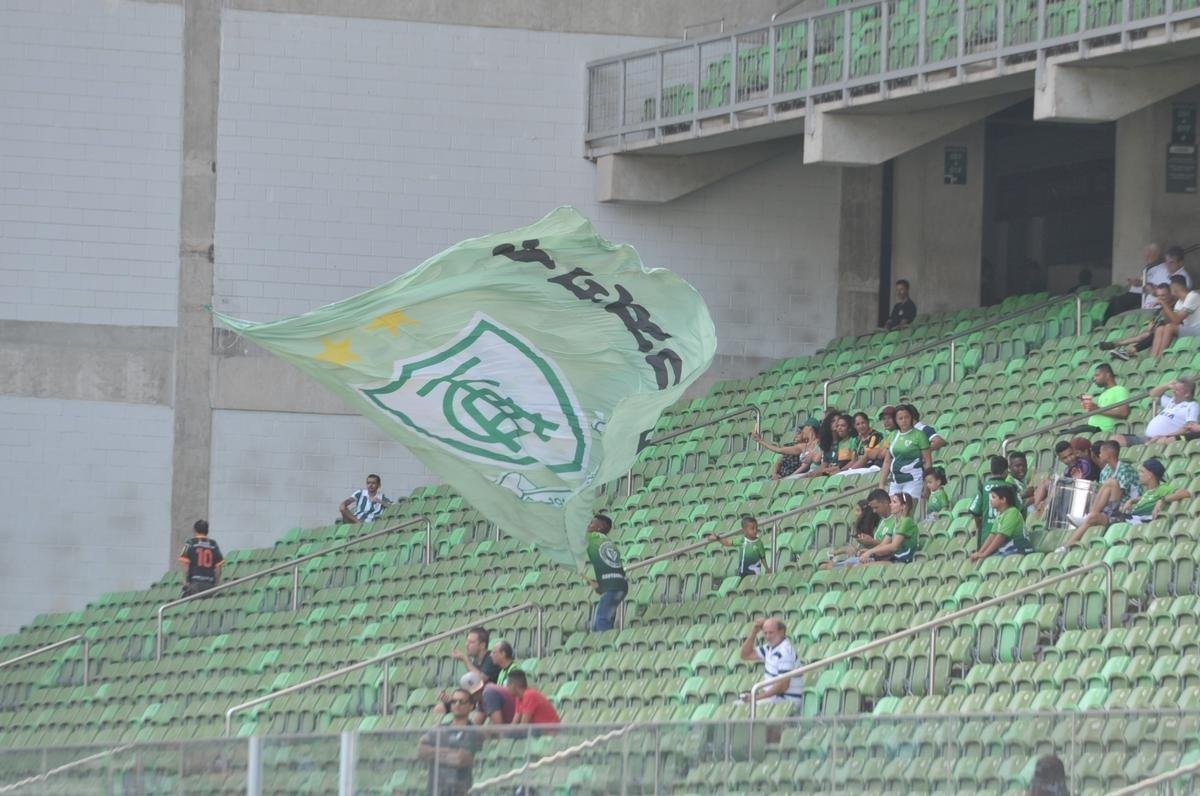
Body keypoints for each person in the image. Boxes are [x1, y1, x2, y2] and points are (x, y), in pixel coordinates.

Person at [1058, 441, 1140, 550]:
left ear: (1109, 454)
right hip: (1110, 510)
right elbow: (1102, 494)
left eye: (1101, 452)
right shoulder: (1105, 471)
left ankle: (1087, 517)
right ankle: (1065, 547)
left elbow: (1119, 495)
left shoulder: (1126, 469)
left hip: (1124, 511)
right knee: (1091, 518)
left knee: (1112, 482)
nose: (1098, 455)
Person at [418, 687, 482, 796]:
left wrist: (433, 753)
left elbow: (460, 759)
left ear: (471, 706)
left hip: (459, 790)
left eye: (461, 702)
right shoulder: (440, 728)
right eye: (454, 701)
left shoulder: (475, 732)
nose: (457, 705)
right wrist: (449, 753)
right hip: (435, 790)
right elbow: (421, 751)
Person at [1112, 378, 1200, 446]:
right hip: (1146, 438)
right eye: (1174, 389)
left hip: (1160, 440)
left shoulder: (1192, 405)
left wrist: (1166, 436)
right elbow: (1153, 394)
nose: (1173, 391)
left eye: (1177, 390)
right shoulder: (1171, 401)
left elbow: (1188, 427)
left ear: (1187, 394)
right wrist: (1166, 386)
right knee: (1115, 439)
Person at [738, 617, 804, 706]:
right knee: (738, 706)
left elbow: (783, 685)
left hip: (787, 700)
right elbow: (745, 655)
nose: (768, 637)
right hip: (774, 698)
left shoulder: (785, 651)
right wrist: (754, 632)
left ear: (781, 632)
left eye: (771, 633)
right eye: (765, 633)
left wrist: (756, 697)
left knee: (742, 709)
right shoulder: (769, 647)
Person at [820, 489, 890, 569]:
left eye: (858, 510)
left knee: (831, 566)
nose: (874, 511)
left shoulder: (887, 522)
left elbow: (890, 547)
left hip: (878, 558)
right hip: (870, 556)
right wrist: (865, 550)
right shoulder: (882, 521)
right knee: (824, 566)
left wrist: (870, 543)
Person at [1101, 282, 1172, 360]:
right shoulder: (1162, 306)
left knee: (1151, 333)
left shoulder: (1173, 305)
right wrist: (1152, 323)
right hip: (1160, 329)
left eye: (1163, 295)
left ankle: (1124, 348)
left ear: (1170, 294)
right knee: (1147, 333)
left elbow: (1170, 321)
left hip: (1171, 330)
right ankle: (1119, 345)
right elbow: (1157, 318)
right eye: (1159, 296)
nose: (1161, 298)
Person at [879, 404, 933, 501]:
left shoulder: (920, 435)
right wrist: (882, 483)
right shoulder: (892, 435)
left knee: (907, 508)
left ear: (911, 417)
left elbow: (927, 462)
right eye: (900, 418)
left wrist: (926, 485)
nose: (904, 420)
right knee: (894, 509)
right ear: (896, 420)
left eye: (906, 417)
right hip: (895, 480)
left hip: (914, 479)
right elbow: (887, 461)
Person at [970, 455, 1024, 549]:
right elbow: (1020, 509)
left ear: (991, 471)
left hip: (985, 537)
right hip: (1006, 539)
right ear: (1006, 471)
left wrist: (979, 526)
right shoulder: (1010, 488)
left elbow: (974, 511)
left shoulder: (983, 487)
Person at [585, 514, 627, 632]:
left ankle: (606, 648)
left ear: (600, 527)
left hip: (611, 587)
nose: (589, 525)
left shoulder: (592, 537)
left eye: (592, 523)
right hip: (619, 586)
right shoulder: (609, 543)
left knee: (601, 622)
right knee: (601, 623)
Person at [1103, 243, 1164, 321]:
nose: (1146, 257)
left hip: (1144, 295)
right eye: (1146, 254)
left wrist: (1144, 284)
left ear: (1156, 254)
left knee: (1120, 301)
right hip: (1137, 291)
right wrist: (1136, 282)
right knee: (1114, 300)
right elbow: (1142, 281)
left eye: (1149, 254)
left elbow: (1158, 286)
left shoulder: (1162, 268)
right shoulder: (1147, 268)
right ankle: (1106, 324)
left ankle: (1119, 321)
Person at [969, 485, 1032, 561]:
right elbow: (992, 536)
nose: (991, 500)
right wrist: (979, 553)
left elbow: (1001, 537)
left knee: (991, 559)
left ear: (1003, 500)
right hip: (1010, 546)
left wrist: (984, 554)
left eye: (993, 497)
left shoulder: (1012, 512)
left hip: (1020, 546)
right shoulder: (1000, 514)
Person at [1032, 439, 1096, 514]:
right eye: (1065, 458)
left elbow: (1082, 487)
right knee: (1045, 482)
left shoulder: (1084, 464)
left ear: (1074, 452)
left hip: (1084, 498)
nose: (1069, 459)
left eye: (1071, 454)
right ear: (1060, 460)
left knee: (1056, 488)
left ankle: (1042, 508)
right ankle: (1037, 507)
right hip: (1068, 496)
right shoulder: (1066, 471)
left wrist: (1077, 480)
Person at [1063, 365, 1130, 435]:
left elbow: (1124, 413)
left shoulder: (1120, 390)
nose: (1094, 379)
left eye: (1097, 375)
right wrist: (1090, 406)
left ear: (1107, 375)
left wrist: (1097, 409)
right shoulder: (1103, 394)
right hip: (1091, 428)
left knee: (1066, 435)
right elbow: (1100, 410)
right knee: (1063, 433)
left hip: (1101, 430)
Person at [1149, 271, 1200, 357]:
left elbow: (1176, 321)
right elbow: (1169, 321)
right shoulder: (1179, 302)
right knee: (1161, 328)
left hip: (1197, 329)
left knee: (1169, 328)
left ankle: (1159, 357)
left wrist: (1163, 304)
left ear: (1174, 288)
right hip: (1189, 329)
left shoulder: (1193, 296)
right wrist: (1164, 305)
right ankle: (1153, 358)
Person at [858, 493, 919, 565]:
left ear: (903, 506)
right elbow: (883, 544)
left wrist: (871, 552)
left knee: (865, 566)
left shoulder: (906, 521)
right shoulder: (895, 522)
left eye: (894, 502)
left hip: (904, 559)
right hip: (894, 557)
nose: (890, 504)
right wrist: (869, 551)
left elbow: (894, 546)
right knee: (859, 564)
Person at [752, 421, 820, 479]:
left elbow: (806, 466)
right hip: (796, 475)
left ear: (810, 427)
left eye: (804, 428)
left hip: (812, 473)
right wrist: (760, 441)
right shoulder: (803, 446)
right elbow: (779, 450)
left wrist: (791, 476)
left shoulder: (819, 442)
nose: (803, 431)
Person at [178, 520, 224, 598]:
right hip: (209, 585)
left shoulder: (189, 543)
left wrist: (185, 582)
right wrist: (216, 584)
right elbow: (218, 568)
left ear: (195, 530)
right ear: (207, 531)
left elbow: (185, 565)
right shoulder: (213, 544)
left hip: (195, 584)